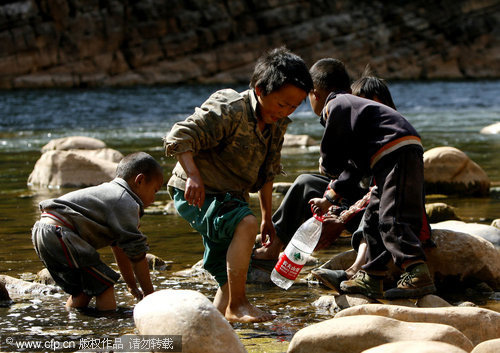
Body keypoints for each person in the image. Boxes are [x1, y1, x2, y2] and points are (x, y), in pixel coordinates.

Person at [163, 47, 313, 323]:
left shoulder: (277, 124)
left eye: (294, 106)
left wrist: (268, 219)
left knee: (227, 277)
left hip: (231, 196)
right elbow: (179, 135)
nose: (286, 111)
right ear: (260, 89)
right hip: (197, 192)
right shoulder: (230, 108)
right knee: (244, 224)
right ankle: (240, 305)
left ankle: (215, 326)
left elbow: (268, 173)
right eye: (282, 104)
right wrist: (193, 175)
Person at [307, 58, 435, 299]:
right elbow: (355, 167)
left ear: (314, 93)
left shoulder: (337, 104)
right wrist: (329, 197)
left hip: (397, 153)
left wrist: (328, 163)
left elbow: (332, 151)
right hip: (388, 157)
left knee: (391, 218)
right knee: (374, 218)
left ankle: (417, 272)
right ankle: (372, 276)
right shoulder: (353, 109)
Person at [32, 152, 164, 311]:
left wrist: (131, 286)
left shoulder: (112, 196)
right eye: (155, 191)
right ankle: (108, 326)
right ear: (140, 180)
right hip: (59, 233)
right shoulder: (125, 201)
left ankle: (72, 324)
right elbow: (137, 254)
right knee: (105, 285)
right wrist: (150, 296)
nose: (153, 200)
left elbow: (120, 249)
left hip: (44, 232)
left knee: (85, 289)